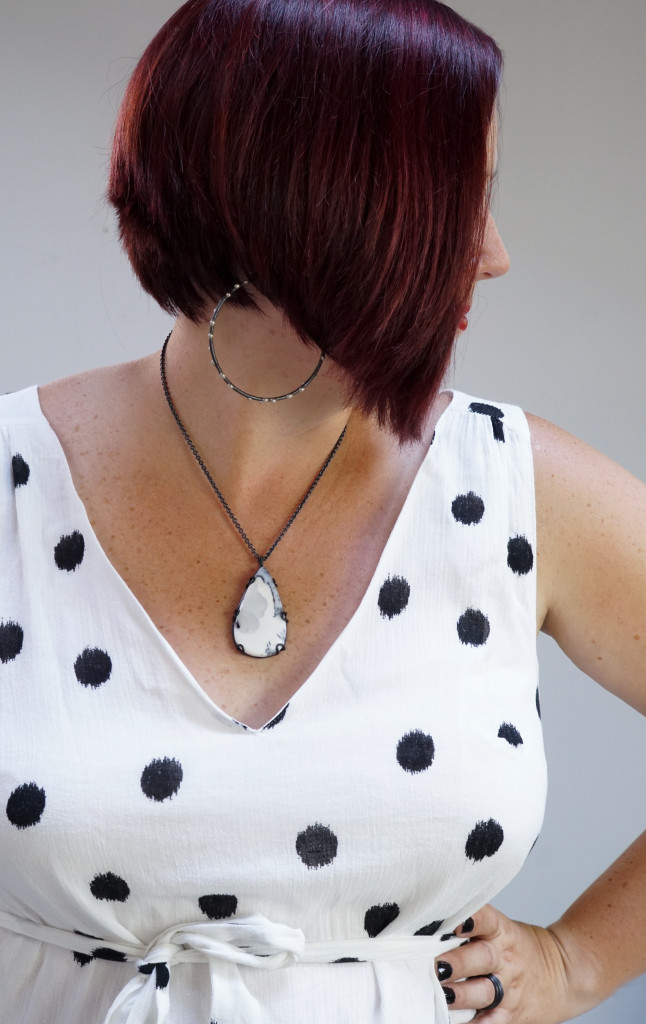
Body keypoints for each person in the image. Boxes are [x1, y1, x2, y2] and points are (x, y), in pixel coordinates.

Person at [1, 1, 645, 1022]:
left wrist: (576, 960)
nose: (492, 253)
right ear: (316, 203)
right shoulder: (10, 485)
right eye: (459, 201)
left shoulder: (519, 486)